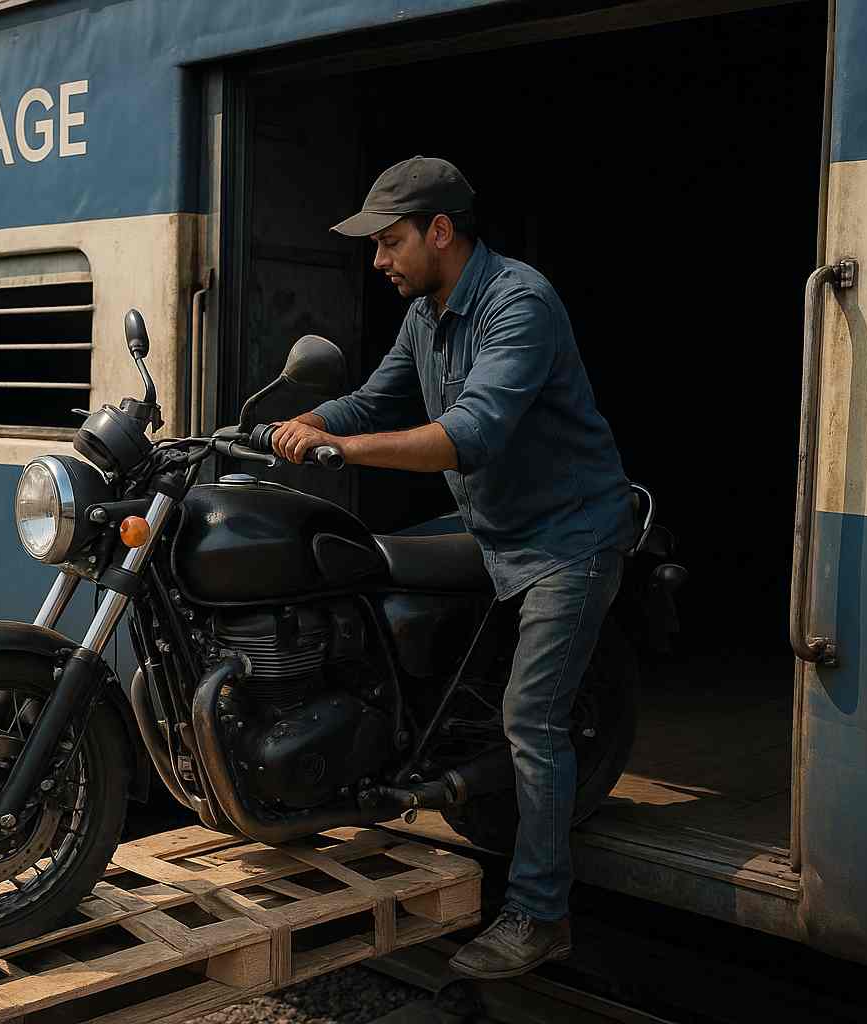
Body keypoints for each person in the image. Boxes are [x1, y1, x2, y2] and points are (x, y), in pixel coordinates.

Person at [271, 155, 639, 979]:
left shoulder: (520, 303)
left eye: (391, 242)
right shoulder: (427, 313)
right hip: (492, 524)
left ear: (441, 232)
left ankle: (541, 917)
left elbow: (468, 433)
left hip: (567, 536)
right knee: (364, 588)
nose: (378, 261)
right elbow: (374, 399)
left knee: (533, 720)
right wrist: (301, 419)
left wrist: (340, 447)